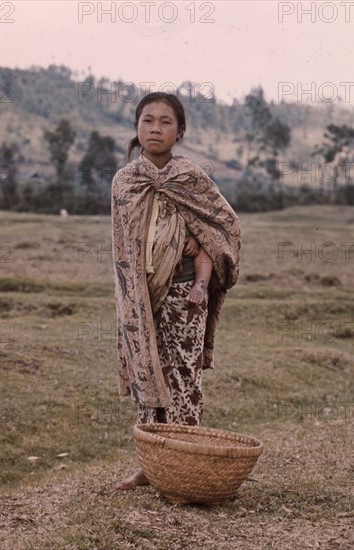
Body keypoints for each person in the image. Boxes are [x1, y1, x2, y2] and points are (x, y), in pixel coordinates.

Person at [111, 92, 241, 490]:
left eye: (166, 121)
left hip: (186, 294)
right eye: (148, 120)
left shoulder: (191, 178)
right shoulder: (126, 181)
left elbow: (226, 226)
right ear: (137, 127)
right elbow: (122, 246)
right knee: (146, 375)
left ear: (180, 131)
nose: (156, 128)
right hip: (140, 296)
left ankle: (186, 467)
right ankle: (152, 465)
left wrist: (200, 242)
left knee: (183, 377)